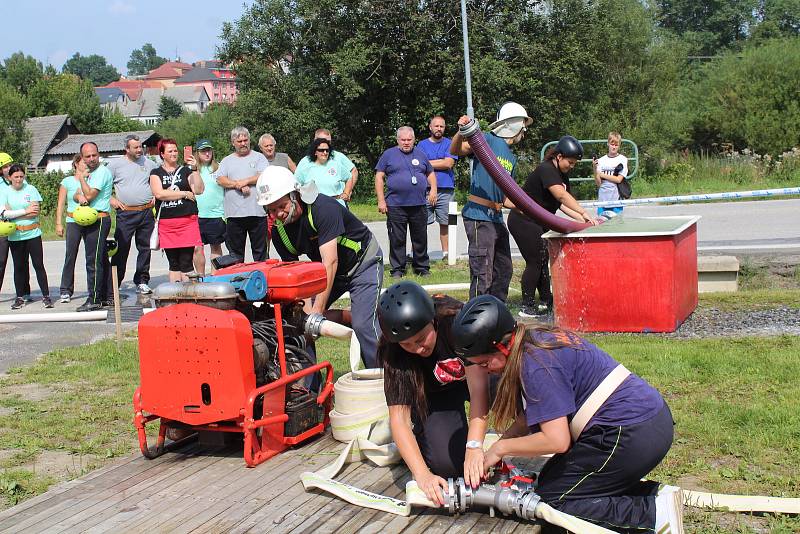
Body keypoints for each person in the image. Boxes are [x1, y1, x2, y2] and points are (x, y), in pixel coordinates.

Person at [452, 295, 681, 533]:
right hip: (647, 420)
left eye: (485, 363)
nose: (485, 371)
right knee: (550, 480)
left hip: (631, 434)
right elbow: (529, 417)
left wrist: (500, 449)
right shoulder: (534, 340)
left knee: (552, 501)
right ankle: (656, 496)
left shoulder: (536, 364)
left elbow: (557, 440)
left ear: (501, 345)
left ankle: (652, 515)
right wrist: (497, 447)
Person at [257, 166, 383, 368]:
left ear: (295, 195)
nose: (277, 214)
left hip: (362, 263)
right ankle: (309, 390)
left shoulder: (323, 207)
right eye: (271, 210)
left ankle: (383, 379)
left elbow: (330, 261)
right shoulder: (279, 231)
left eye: (281, 206)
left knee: (364, 325)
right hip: (331, 271)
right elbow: (298, 275)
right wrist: (307, 318)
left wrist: (317, 310)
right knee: (299, 325)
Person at [377, 281, 478, 505]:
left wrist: (475, 445)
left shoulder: (456, 322)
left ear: (433, 321)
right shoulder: (393, 352)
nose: (418, 348)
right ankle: (424, 436)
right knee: (449, 467)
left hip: (477, 377)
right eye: (408, 344)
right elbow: (399, 420)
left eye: (422, 338)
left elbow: (482, 389)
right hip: (436, 396)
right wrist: (423, 475)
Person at [507, 135, 601, 318]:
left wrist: (584, 222)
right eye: (570, 162)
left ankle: (546, 301)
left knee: (543, 261)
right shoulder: (546, 169)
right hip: (522, 221)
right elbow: (561, 196)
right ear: (559, 156)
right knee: (535, 261)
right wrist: (583, 212)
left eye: (574, 164)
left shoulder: (562, 176)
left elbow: (563, 205)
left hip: (539, 221)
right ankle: (527, 307)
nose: (571, 167)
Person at [450, 102, 528, 302]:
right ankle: (475, 315)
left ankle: (496, 314)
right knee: (482, 271)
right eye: (523, 125)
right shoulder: (487, 140)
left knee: (504, 269)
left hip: (496, 217)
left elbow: (505, 197)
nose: (525, 130)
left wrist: (528, 210)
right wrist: (461, 132)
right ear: (514, 125)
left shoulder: (511, 157)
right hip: (479, 216)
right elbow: (456, 150)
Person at [374, 126, 437, 278]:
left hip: (418, 204)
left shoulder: (421, 154)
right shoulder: (388, 155)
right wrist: (381, 200)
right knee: (397, 239)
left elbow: (430, 173)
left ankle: (421, 267)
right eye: (403, 140)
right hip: (395, 204)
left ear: (414, 140)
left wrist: (433, 189)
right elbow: (379, 177)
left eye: (409, 140)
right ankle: (397, 269)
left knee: (420, 238)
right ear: (398, 140)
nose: (406, 143)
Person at [106, 134, 158, 296]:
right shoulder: (114, 165)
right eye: (135, 147)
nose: (139, 150)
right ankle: (114, 283)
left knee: (144, 248)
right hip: (125, 213)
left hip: (146, 212)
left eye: (140, 146)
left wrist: (156, 195)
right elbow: (102, 185)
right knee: (121, 249)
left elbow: (158, 182)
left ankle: (142, 281)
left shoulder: (150, 164)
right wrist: (110, 198)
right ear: (126, 149)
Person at [150, 139, 204, 282]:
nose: (174, 153)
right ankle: (175, 297)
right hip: (167, 223)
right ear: (162, 154)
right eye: (170, 151)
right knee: (173, 263)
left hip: (187, 220)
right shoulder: (156, 172)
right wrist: (184, 194)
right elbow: (159, 194)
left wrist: (195, 170)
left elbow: (198, 190)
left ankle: (190, 297)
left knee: (186, 262)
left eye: (175, 150)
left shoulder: (186, 170)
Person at [2, 164, 52, 309]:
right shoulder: (5, 192)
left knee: (38, 265)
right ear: (10, 177)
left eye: (21, 177)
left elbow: (35, 212)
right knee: (19, 267)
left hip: (33, 233)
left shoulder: (31, 189)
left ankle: (46, 296)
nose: (19, 180)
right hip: (15, 235)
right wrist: (24, 210)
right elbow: (4, 214)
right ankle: (19, 297)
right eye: (16, 177)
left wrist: (14, 213)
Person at [216, 126, 269, 261]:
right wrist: (237, 185)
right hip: (234, 215)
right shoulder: (227, 160)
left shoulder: (259, 157)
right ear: (233, 142)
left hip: (257, 213)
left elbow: (264, 175)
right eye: (239, 141)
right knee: (235, 255)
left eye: (246, 140)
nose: (243, 143)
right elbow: (220, 179)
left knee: (260, 253)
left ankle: (261, 279)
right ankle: (237, 281)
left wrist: (246, 181)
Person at [75, 142, 114, 312]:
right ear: (82, 158)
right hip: (89, 219)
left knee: (93, 261)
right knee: (101, 259)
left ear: (99, 154)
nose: (91, 159)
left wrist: (82, 178)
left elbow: (89, 195)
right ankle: (105, 296)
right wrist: (79, 195)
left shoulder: (101, 172)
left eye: (94, 155)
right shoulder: (91, 173)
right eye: (87, 156)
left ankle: (94, 299)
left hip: (99, 219)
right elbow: (77, 194)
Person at [418, 116, 458, 258]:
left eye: (441, 126)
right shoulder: (421, 145)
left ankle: (446, 253)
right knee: (420, 224)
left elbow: (448, 164)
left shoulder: (450, 143)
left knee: (446, 223)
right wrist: (440, 161)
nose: (439, 129)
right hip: (425, 190)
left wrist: (428, 163)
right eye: (436, 126)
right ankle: (418, 254)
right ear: (430, 127)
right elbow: (419, 165)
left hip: (446, 189)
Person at [191, 140, 226, 275]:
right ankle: (201, 277)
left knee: (216, 248)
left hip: (216, 215)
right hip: (197, 215)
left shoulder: (220, 168)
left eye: (209, 150)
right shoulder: (193, 169)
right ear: (197, 153)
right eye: (203, 151)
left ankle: (214, 276)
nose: (207, 153)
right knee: (197, 248)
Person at [295, 129, 358, 203]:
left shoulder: (338, 156)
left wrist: (347, 192)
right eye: (323, 140)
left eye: (329, 141)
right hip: (315, 204)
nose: (326, 143)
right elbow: (296, 182)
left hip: (338, 201)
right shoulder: (306, 161)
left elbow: (353, 171)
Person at [56, 154, 86, 303]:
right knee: (70, 255)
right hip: (73, 220)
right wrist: (58, 223)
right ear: (76, 164)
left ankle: (96, 289)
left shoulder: (91, 178)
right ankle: (65, 290)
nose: (86, 164)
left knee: (92, 256)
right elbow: (61, 204)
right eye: (83, 161)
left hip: (90, 220)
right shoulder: (67, 181)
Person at [593, 131, 628, 217]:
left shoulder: (623, 159)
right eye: (612, 144)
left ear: (619, 145)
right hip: (602, 201)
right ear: (608, 143)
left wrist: (602, 175)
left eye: (616, 145)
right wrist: (594, 168)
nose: (614, 147)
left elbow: (618, 179)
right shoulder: (601, 160)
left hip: (616, 200)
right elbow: (598, 183)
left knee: (617, 224)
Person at [0, 152, 13, 297]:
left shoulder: (18, 179)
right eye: (5, 166)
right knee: (1, 261)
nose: (8, 168)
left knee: (21, 262)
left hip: (17, 224)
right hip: (2, 224)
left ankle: (24, 292)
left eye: (10, 165)